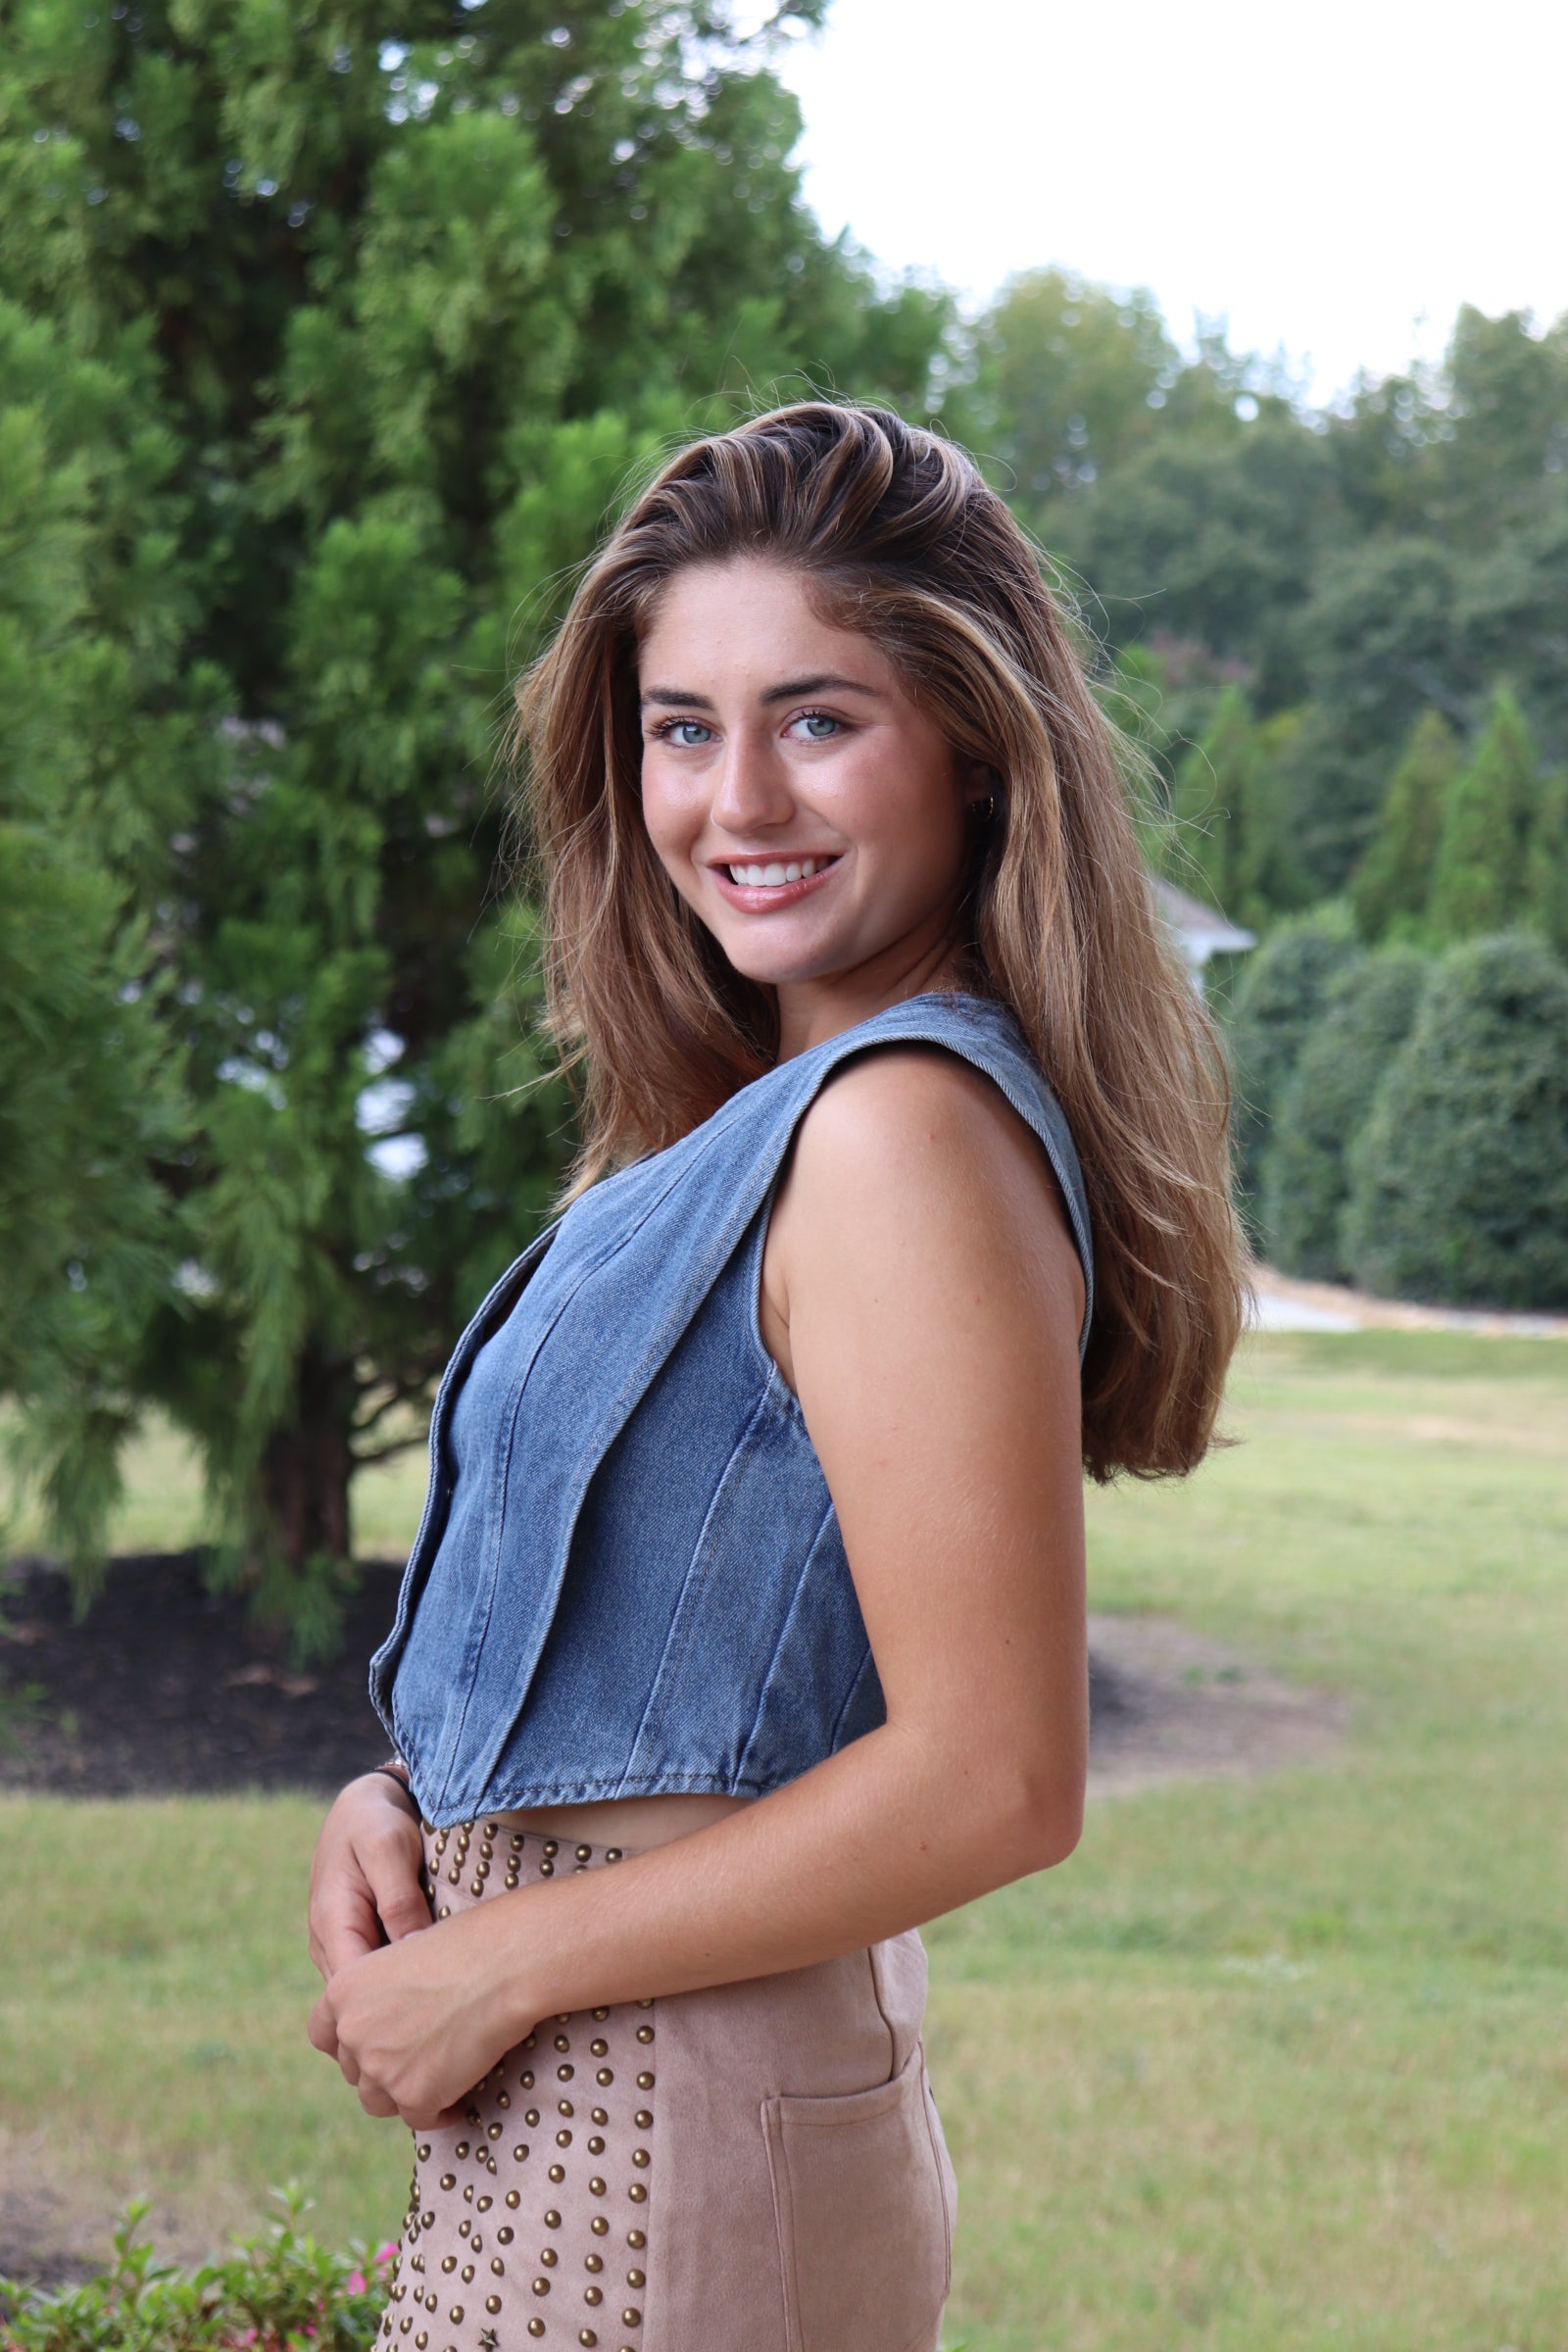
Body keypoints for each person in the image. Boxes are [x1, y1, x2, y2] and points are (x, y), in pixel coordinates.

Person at [306, 401, 1246, 2352]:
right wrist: (406, 1799)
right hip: (580, 2135)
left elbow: (994, 1774)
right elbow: (698, 1651)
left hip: (676, 2159)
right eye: (681, 727)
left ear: (974, 750)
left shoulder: (897, 1133)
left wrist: (505, 1966)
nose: (737, 799)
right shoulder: (767, 1119)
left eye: (816, 720)